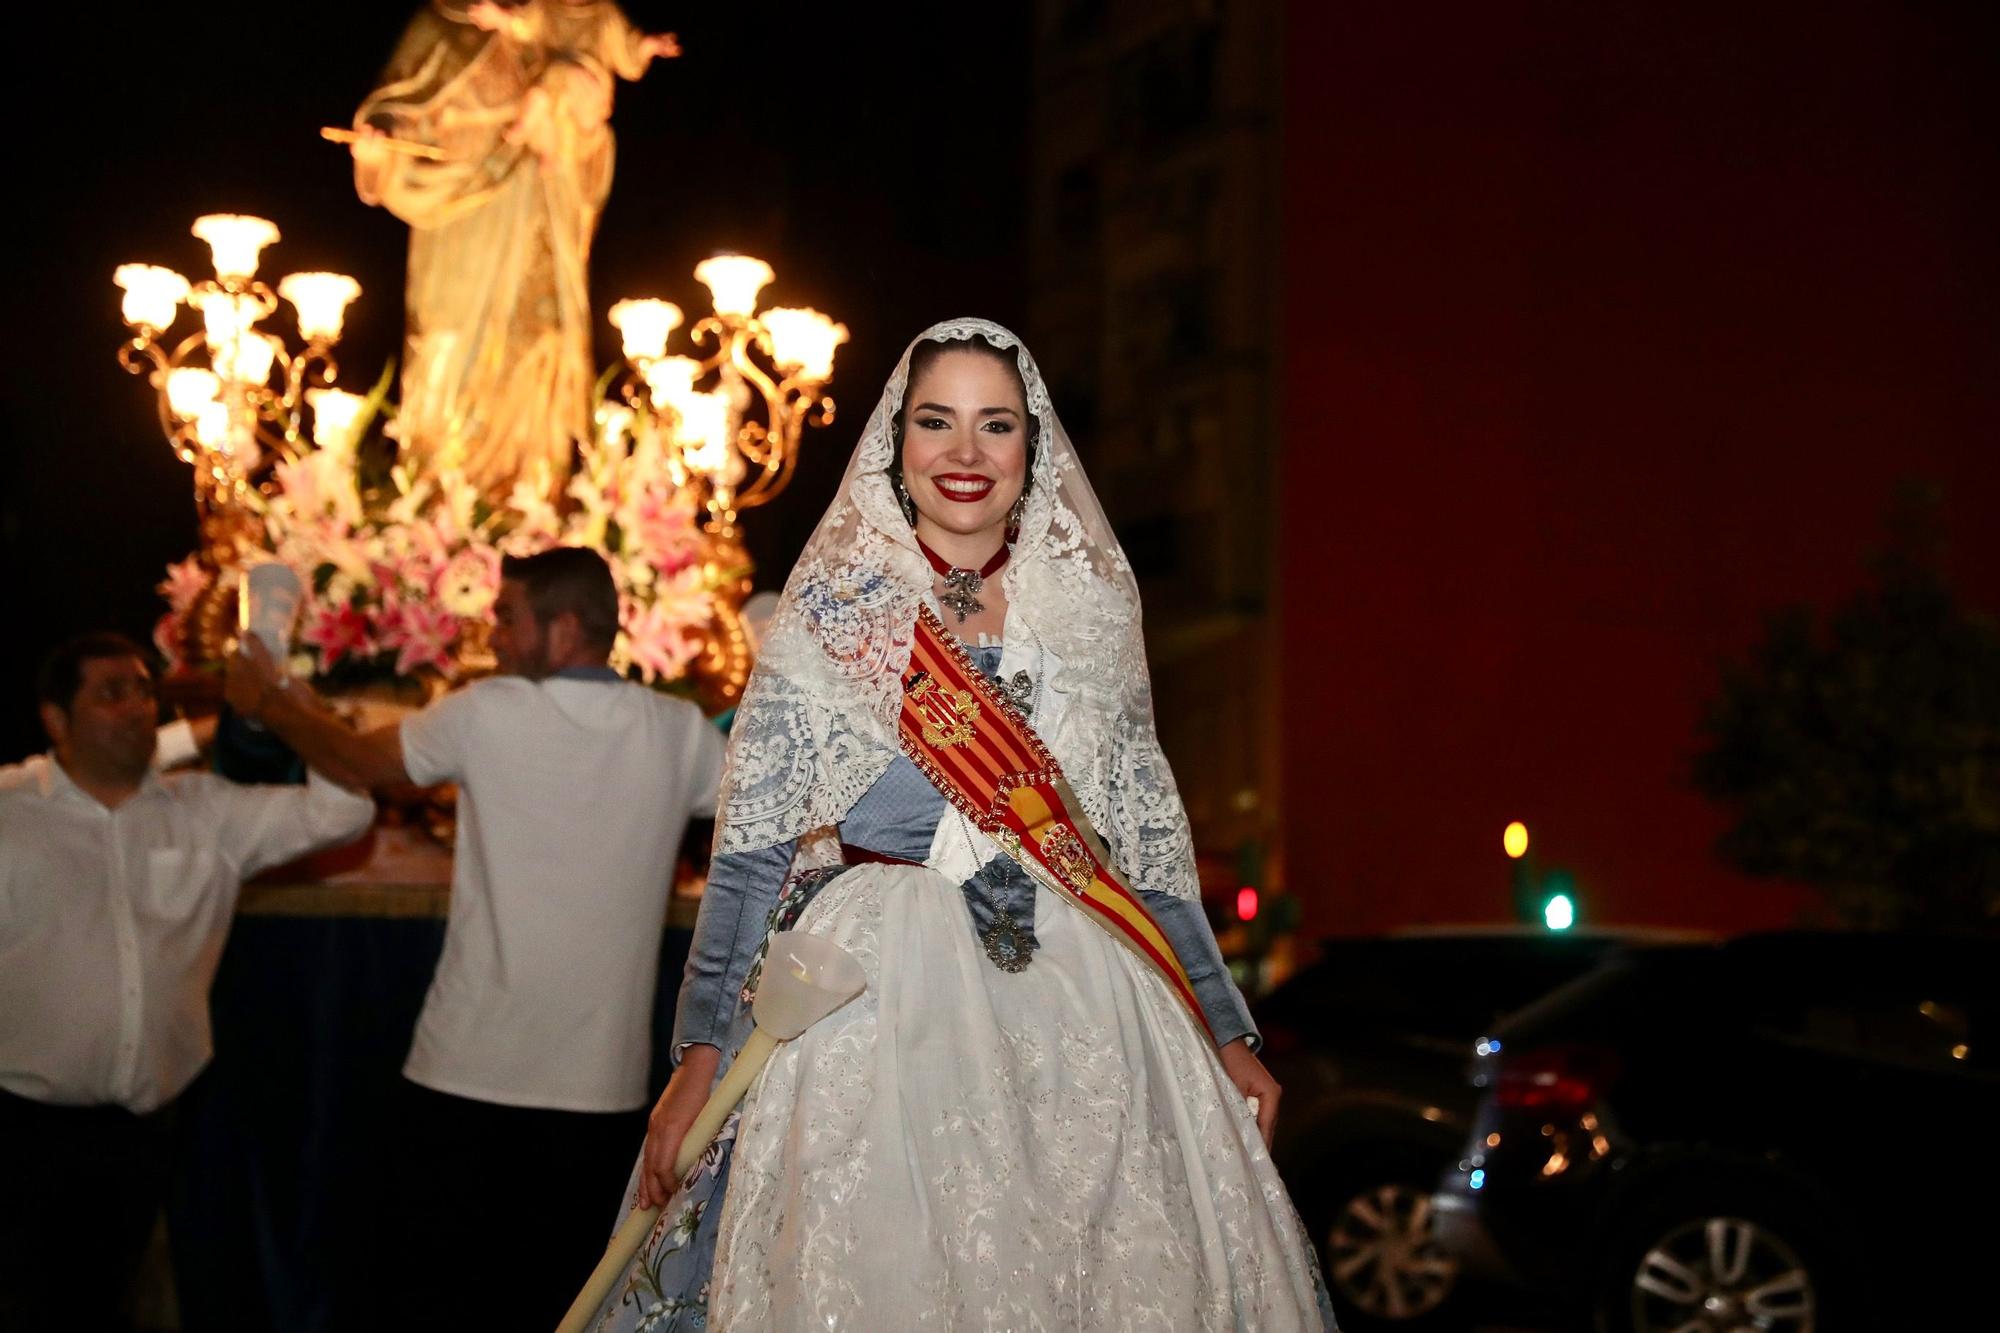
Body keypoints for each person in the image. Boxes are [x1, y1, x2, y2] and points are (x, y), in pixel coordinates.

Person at [583, 320, 1334, 1330]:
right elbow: (753, 848)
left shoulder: (1089, 608)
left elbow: (1144, 840)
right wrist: (699, 1055)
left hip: (1078, 992)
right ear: (897, 442)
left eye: (996, 425)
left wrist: (1223, 1027)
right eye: (936, 422)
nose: (965, 453)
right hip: (868, 991)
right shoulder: (838, 608)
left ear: (1034, 446)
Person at [226, 545, 724, 1328]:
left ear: (562, 629)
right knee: (561, 1306)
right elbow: (761, 808)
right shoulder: (680, 732)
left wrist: (274, 697)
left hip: (464, 1074)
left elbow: (357, 760)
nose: (491, 634)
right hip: (598, 1090)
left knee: (433, 1302)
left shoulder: (487, 709)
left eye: (506, 616)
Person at [0, 633, 376, 1333]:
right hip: (22, 1127)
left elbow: (346, 810)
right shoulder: (12, 813)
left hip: (149, 1128)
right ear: (56, 720)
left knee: (106, 1302)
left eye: (145, 691)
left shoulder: (205, 810)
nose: (139, 708)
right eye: (112, 693)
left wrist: (289, 701)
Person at [350, 1, 680, 499]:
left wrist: (578, 127)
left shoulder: (554, 32)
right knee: (451, 343)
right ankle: (441, 498)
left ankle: (536, 494)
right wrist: (377, 148)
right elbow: (392, 114)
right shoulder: (444, 24)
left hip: (539, 215)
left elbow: (588, 137)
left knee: (539, 341)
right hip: (460, 230)